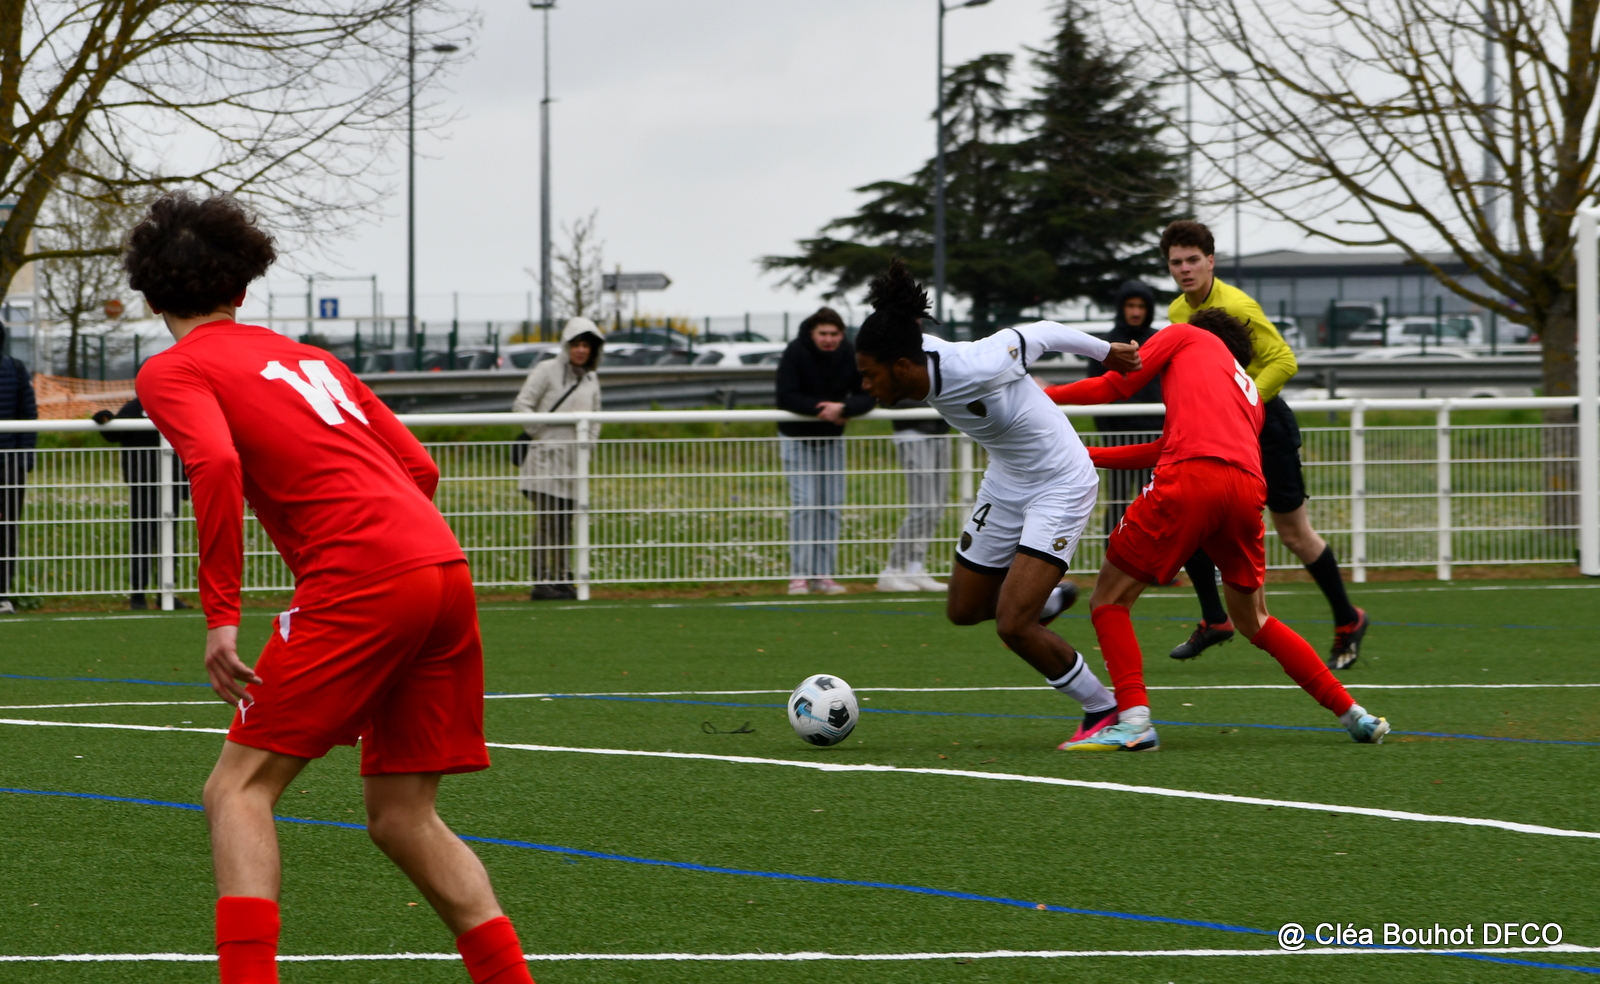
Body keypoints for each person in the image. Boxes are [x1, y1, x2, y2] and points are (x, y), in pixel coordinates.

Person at [127, 192, 536, 984]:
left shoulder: (172, 369)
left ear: (148, 296)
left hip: (365, 578)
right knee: (403, 816)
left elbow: (216, 464)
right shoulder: (313, 360)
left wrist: (221, 615)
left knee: (236, 790)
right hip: (442, 568)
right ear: (243, 288)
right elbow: (420, 467)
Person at [1044, 308, 1390, 751]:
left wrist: (1043, 397)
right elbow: (1165, 446)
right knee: (1255, 620)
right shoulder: (1248, 393)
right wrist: (1085, 453)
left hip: (1192, 478)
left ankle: (1134, 722)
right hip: (1246, 491)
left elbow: (1118, 384)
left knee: (1109, 599)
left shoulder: (1186, 335)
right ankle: (1353, 713)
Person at [854, 260, 1140, 747]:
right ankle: (1046, 599)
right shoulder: (913, 355)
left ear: (901, 367)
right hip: (1007, 480)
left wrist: (1107, 351)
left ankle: (1103, 709)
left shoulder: (975, 365)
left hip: (1060, 481)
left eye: (868, 374)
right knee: (964, 609)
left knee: (1013, 625)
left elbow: (1042, 332)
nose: (865, 385)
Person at [1161, 220, 1369, 670]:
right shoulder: (1178, 310)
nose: (1185, 269)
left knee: (1294, 534)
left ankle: (1348, 619)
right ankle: (1216, 619)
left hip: (1265, 426)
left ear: (1211, 261)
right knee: (1193, 514)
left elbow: (1284, 360)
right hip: (1221, 431)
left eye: (1193, 260)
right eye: (1176, 262)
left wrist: (1243, 401)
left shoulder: (1238, 305)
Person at [775, 307, 875, 595]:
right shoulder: (795, 351)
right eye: (823, 333)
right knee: (805, 504)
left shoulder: (850, 354)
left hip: (832, 441)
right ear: (812, 333)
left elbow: (868, 393)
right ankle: (798, 576)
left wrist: (845, 408)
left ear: (842, 335)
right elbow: (786, 395)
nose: (829, 339)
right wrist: (824, 410)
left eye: (834, 334)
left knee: (831, 507)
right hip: (797, 438)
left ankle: (823, 575)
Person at [513, 317, 603, 601]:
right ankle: (541, 580)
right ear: (566, 346)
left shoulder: (591, 379)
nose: (580, 350)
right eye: (576, 344)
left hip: (574, 463)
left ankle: (562, 576)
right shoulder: (546, 370)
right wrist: (541, 436)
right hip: (545, 459)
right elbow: (522, 405)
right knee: (547, 521)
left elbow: (595, 418)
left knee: (565, 522)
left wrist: (587, 448)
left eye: (586, 345)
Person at [93, 398, 192, 610]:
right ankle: (138, 595)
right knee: (142, 539)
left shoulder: (175, 404)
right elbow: (115, 434)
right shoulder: (135, 407)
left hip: (172, 484)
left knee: (169, 539)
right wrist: (103, 419)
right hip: (142, 484)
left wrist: (184, 482)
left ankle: (166, 594)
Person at [1087, 280, 1164, 534]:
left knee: (1154, 502)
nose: (1136, 312)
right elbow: (1095, 389)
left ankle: (1152, 559)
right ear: (1121, 308)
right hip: (1118, 438)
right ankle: (1111, 554)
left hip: (1155, 437)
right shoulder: (1106, 345)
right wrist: (1107, 436)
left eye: (1141, 306)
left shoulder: (1159, 340)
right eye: (1130, 305)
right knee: (1117, 501)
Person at [876, 401, 951, 592]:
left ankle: (915, 567)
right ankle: (892, 569)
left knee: (937, 507)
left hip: (940, 432)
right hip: (912, 433)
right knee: (924, 507)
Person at [0, 320, 36, 616]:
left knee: (8, 529)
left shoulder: (15, 368)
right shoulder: (16, 367)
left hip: (10, 463)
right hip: (13, 462)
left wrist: (24, 459)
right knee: (8, 530)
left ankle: (2, 593)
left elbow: (28, 416)